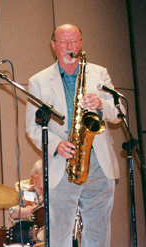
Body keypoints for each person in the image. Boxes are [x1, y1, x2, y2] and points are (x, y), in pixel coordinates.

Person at [25, 24, 124, 247]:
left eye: (74, 41)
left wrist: (102, 105)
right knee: (59, 235)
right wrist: (57, 144)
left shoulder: (99, 73)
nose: (70, 47)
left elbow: (119, 112)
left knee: (98, 232)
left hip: (99, 163)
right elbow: (32, 128)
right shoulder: (38, 81)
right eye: (64, 42)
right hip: (63, 164)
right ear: (53, 46)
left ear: (81, 43)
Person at [9, 159, 44, 245]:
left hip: (50, 226)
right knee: (19, 234)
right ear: (35, 174)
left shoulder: (55, 190)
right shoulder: (22, 186)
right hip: (26, 226)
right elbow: (14, 214)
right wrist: (39, 209)